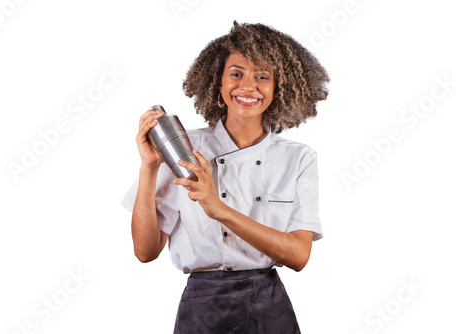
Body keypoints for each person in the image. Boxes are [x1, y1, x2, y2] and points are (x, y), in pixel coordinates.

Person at [122, 21, 330, 333]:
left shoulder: (298, 158)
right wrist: (149, 167)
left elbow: (299, 255)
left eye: (262, 76)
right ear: (218, 83)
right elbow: (145, 252)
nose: (248, 86)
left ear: (278, 87)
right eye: (236, 74)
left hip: (267, 304)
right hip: (201, 304)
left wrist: (218, 209)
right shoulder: (183, 148)